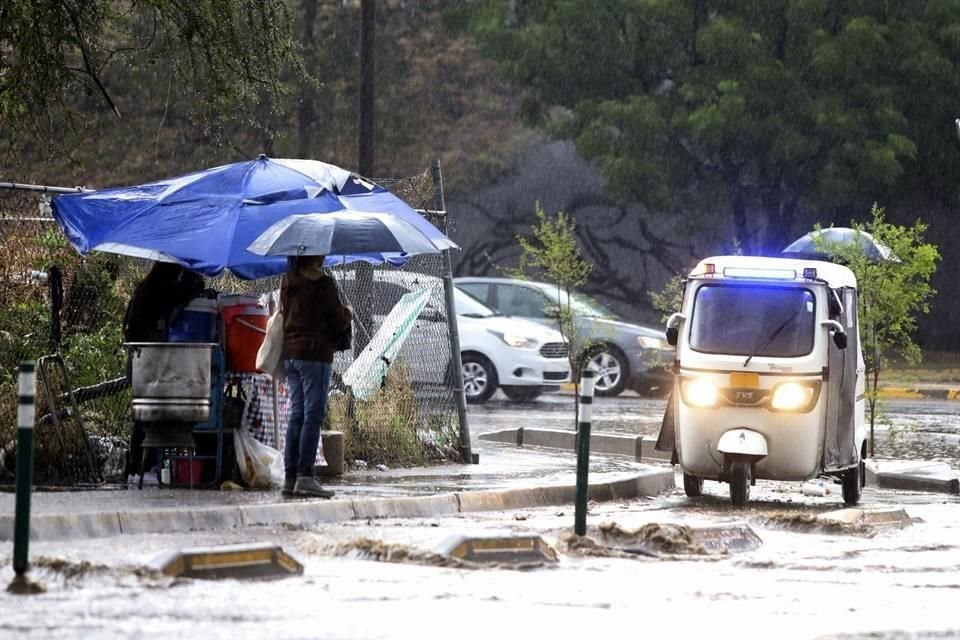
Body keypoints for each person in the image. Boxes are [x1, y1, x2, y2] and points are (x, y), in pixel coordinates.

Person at [122, 262, 206, 480]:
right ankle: (143, 467)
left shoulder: (146, 288)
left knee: (144, 418)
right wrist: (194, 284)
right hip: (148, 362)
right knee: (148, 419)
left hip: (140, 360)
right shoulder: (160, 289)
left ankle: (138, 469)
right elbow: (179, 297)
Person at [280, 255, 352, 498]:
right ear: (315, 256)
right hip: (315, 355)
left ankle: (290, 477)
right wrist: (347, 313)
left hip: (290, 353)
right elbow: (336, 321)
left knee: (296, 413)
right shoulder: (324, 284)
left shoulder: (288, 280)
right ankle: (305, 476)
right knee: (313, 414)